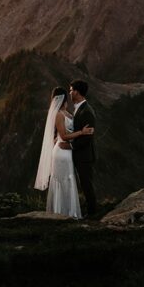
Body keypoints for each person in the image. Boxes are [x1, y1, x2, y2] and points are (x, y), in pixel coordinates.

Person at [34, 86, 93, 217]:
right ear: (64, 99)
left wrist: (58, 138)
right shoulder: (59, 115)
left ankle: (68, 212)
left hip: (66, 152)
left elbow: (61, 135)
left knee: (68, 180)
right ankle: (61, 212)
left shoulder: (66, 113)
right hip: (61, 153)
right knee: (62, 180)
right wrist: (81, 132)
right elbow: (64, 135)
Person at [68, 79, 98, 216]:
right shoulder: (79, 108)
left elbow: (87, 137)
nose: (69, 93)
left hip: (84, 155)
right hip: (80, 154)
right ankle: (90, 211)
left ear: (77, 92)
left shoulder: (87, 111)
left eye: (71, 90)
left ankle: (93, 214)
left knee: (87, 185)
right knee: (85, 185)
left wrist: (70, 146)